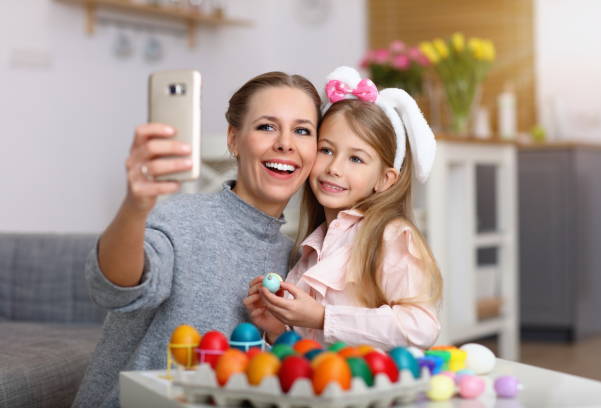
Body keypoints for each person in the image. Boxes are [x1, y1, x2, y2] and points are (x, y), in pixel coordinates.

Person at [71, 71, 321, 408]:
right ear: (234, 139)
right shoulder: (180, 218)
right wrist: (135, 206)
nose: (285, 143)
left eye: (302, 130)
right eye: (266, 126)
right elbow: (114, 286)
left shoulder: (297, 260)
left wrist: (279, 335)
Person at [244, 66, 442, 351]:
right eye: (326, 150)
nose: (334, 168)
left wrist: (324, 317)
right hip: (326, 390)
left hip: (370, 390)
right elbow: (312, 348)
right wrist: (277, 328)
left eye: (356, 159)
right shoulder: (313, 248)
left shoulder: (391, 236)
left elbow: (421, 327)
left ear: (385, 179)